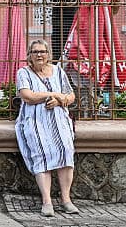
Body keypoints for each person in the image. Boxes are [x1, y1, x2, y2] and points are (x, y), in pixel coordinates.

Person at [15, 38, 78, 217]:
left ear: (48, 54)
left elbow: (70, 95)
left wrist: (60, 100)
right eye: (35, 52)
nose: (39, 55)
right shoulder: (23, 73)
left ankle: (66, 200)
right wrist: (52, 95)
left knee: (66, 152)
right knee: (41, 155)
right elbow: (27, 96)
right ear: (29, 55)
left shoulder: (58, 71)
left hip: (59, 122)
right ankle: (47, 202)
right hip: (35, 122)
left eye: (43, 51)